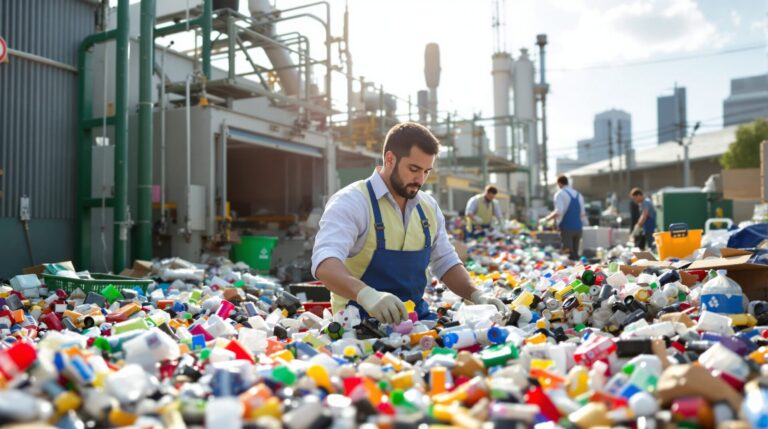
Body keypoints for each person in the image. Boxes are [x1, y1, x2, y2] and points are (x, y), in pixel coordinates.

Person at [311, 122, 508, 324]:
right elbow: (325, 262)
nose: (420, 179)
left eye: (426, 171)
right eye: (414, 169)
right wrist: (366, 295)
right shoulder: (353, 201)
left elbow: (446, 262)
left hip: (414, 321)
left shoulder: (428, 207)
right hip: (357, 325)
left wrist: (477, 295)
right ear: (389, 159)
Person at [541, 175, 588, 260]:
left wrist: (546, 219)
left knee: (568, 254)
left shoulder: (560, 194)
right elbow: (583, 214)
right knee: (576, 255)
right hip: (578, 228)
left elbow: (558, 211)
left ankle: (571, 271)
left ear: (559, 183)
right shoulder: (578, 194)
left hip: (567, 228)